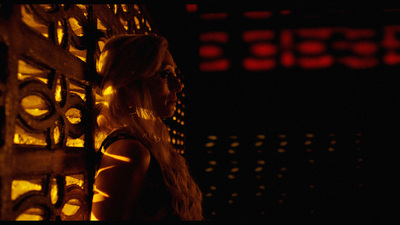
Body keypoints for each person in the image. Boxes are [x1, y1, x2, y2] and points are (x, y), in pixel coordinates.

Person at [90, 34, 203, 221]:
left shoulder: (150, 145)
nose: (178, 86)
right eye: (165, 74)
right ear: (130, 80)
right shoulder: (129, 151)